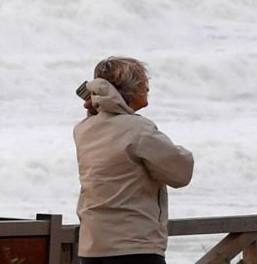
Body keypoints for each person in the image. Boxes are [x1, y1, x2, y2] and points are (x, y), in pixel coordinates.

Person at [74, 56, 194, 264]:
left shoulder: (83, 129)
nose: (147, 88)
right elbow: (181, 172)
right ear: (129, 90)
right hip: (134, 246)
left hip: (92, 246)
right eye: (143, 83)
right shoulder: (139, 130)